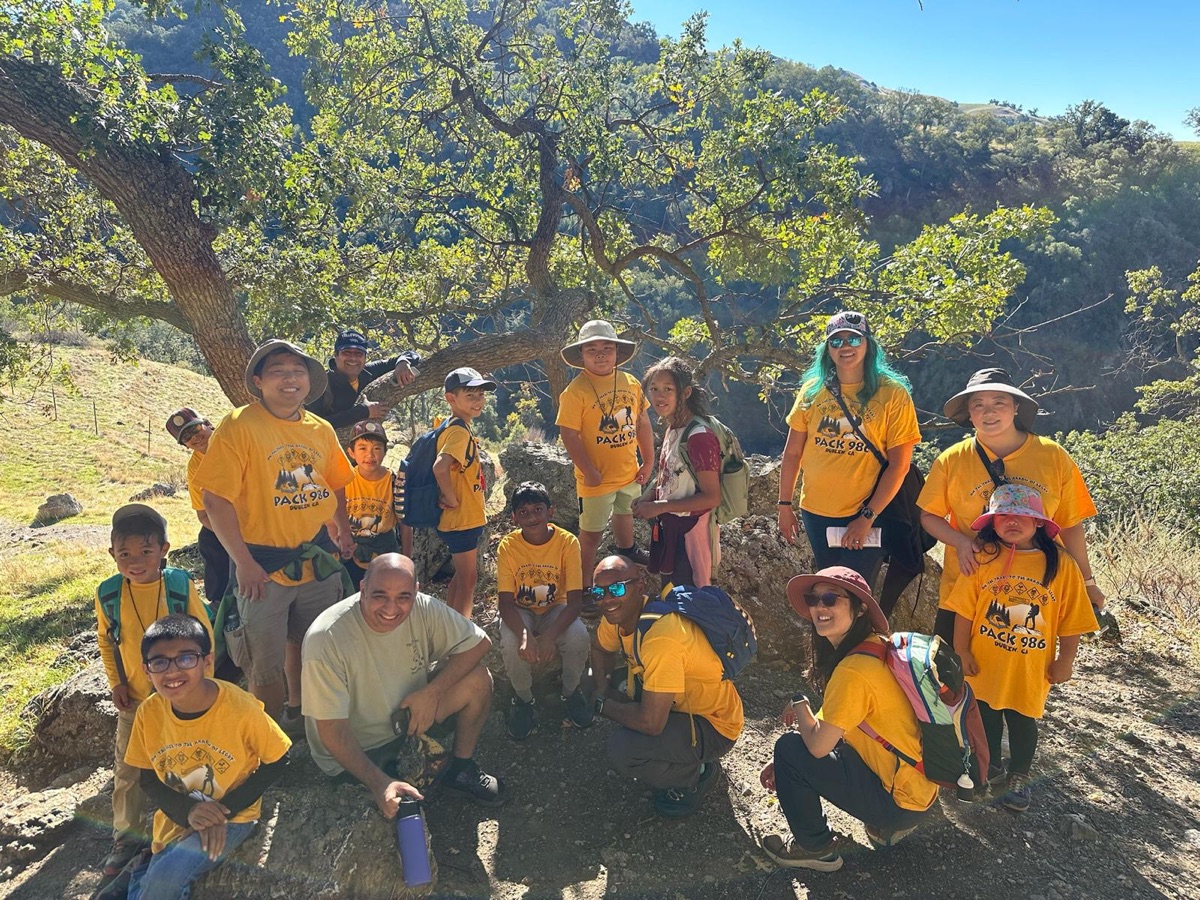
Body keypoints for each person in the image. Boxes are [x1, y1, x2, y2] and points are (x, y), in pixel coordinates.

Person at [193, 339, 355, 734]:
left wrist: (344, 529)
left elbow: (334, 483)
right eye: (279, 371)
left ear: (309, 382)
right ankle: (268, 740)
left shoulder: (321, 429)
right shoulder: (239, 426)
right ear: (259, 380)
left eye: (298, 371)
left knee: (314, 646)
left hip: (315, 557)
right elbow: (215, 500)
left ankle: (304, 716)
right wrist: (244, 563)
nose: (290, 379)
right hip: (260, 566)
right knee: (263, 664)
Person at [760, 566, 938, 872]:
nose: (819, 607)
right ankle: (886, 825)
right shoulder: (879, 646)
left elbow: (816, 747)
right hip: (920, 788)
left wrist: (799, 704)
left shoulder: (853, 670)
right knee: (817, 746)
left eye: (831, 598)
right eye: (812, 599)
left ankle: (815, 848)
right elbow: (840, 716)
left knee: (790, 749)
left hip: (899, 803)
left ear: (859, 610)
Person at [301, 553, 505, 810]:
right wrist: (379, 783)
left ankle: (460, 769)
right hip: (360, 749)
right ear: (363, 589)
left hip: (409, 721)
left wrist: (432, 693)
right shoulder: (326, 638)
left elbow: (479, 643)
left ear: (415, 591)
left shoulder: (423, 607)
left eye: (403, 597)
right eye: (379, 596)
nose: (390, 608)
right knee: (401, 823)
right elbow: (332, 730)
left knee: (478, 679)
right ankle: (386, 780)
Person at [918, 368, 1106, 642]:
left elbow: (1070, 523)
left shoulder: (1052, 457)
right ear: (969, 413)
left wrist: (1087, 583)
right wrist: (959, 542)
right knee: (951, 675)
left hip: (1035, 590)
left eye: (999, 402)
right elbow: (929, 516)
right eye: (978, 404)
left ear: (1016, 407)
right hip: (966, 588)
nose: (988, 412)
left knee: (1019, 669)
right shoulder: (952, 460)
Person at [946, 484, 1098, 812]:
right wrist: (962, 649)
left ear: (1040, 522)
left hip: (1030, 668)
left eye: (1022, 516)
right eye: (1003, 516)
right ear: (992, 522)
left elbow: (1072, 620)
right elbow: (963, 609)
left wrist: (1066, 660)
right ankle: (991, 767)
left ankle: (1019, 775)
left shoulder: (1060, 564)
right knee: (984, 714)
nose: (1012, 522)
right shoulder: (983, 557)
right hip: (984, 663)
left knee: (1023, 721)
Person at [121, 614, 290, 900]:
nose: (172, 671)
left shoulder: (240, 708)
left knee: (166, 877)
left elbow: (279, 759)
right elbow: (146, 777)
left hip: (232, 816)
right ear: (146, 670)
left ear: (207, 662)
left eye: (186, 658)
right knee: (158, 869)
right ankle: (136, 875)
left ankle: (137, 877)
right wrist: (188, 812)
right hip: (177, 814)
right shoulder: (148, 712)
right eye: (159, 662)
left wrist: (220, 813)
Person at [94, 504, 214, 883]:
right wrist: (116, 683)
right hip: (136, 699)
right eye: (125, 554)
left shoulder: (179, 585)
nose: (135, 562)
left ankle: (182, 824)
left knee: (187, 764)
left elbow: (204, 633)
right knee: (128, 771)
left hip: (182, 699)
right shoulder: (109, 593)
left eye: (145, 552)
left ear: (164, 549)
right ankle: (126, 837)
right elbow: (106, 640)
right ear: (112, 554)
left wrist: (203, 683)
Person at [589, 555, 743, 818]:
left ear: (639, 588)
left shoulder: (661, 638)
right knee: (606, 681)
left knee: (623, 749)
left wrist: (602, 704)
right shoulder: (619, 616)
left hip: (713, 724)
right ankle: (677, 753)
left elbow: (651, 723)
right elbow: (600, 648)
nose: (606, 599)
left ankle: (698, 774)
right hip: (679, 704)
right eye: (598, 592)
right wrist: (602, 687)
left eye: (616, 588)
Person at [777, 311, 920, 586]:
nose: (845, 347)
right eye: (837, 341)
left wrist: (867, 516)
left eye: (854, 340)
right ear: (827, 349)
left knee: (854, 592)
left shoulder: (893, 394)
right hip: (816, 512)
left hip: (866, 511)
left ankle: (860, 630)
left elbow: (899, 465)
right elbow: (793, 453)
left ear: (868, 344)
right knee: (827, 588)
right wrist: (785, 505)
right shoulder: (812, 391)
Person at [556, 320, 654, 592]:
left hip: (628, 471)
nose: (600, 354)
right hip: (595, 480)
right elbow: (569, 434)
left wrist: (648, 461)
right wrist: (587, 469)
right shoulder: (576, 392)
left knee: (625, 513)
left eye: (607, 348)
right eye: (592, 349)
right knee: (590, 535)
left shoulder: (631, 383)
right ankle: (583, 587)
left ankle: (628, 549)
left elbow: (642, 422)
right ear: (581, 355)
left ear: (617, 353)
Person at [496, 482, 593, 739]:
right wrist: (526, 636)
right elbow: (505, 602)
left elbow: (574, 602)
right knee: (510, 643)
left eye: (538, 509)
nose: (532, 518)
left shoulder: (567, 543)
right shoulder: (508, 546)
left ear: (551, 512)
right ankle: (524, 700)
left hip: (556, 607)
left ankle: (571, 693)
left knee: (578, 637)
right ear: (514, 517)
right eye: (524, 512)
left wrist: (549, 636)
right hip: (520, 609)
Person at [632, 357, 721, 588]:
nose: (659, 396)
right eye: (654, 389)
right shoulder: (674, 428)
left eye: (668, 389)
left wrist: (659, 507)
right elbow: (671, 475)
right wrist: (648, 498)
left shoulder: (699, 436)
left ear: (686, 392)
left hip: (690, 534)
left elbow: (712, 497)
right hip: (671, 530)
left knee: (689, 600)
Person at [433, 367, 497, 618]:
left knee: (461, 576)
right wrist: (451, 498)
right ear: (451, 398)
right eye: (470, 395)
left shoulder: (457, 427)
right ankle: (461, 633)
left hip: (464, 518)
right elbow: (440, 468)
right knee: (470, 579)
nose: (478, 401)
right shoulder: (458, 432)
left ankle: (451, 622)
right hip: (462, 520)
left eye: (481, 395)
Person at [165, 407, 230, 607]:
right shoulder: (195, 467)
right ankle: (219, 601)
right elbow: (203, 514)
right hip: (227, 518)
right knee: (209, 540)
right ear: (184, 446)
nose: (195, 437)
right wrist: (230, 533)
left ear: (209, 425)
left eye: (196, 429)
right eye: (186, 437)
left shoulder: (233, 442)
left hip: (259, 508)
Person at [343, 419, 412, 592]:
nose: (370, 455)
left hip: (386, 550)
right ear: (351, 452)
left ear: (385, 452)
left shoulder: (395, 483)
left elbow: (405, 523)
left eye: (376, 448)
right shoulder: (343, 480)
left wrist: (407, 561)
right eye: (362, 448)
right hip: (350, 551)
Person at [310, 328, 421, 429]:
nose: (353, 358)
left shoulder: (369, 372)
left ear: (365, 357)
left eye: (359, 353)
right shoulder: (321, 385)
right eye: (346, 352)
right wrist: (363, 411)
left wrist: (403, 362)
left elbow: (412, 354)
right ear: (336, 355)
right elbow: (312, 424)